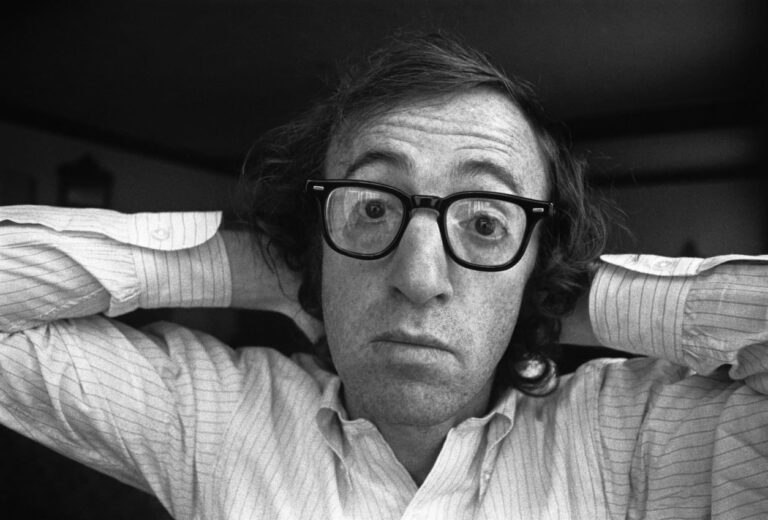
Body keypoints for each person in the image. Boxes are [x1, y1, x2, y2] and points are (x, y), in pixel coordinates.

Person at [0, 32, 766, 519]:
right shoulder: (210, 415)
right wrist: (271, 264)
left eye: (487, 223)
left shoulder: (631, 439)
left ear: (539, 256)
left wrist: (558, 296)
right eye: (370, 209)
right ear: (314, 243)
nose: (420, 277)